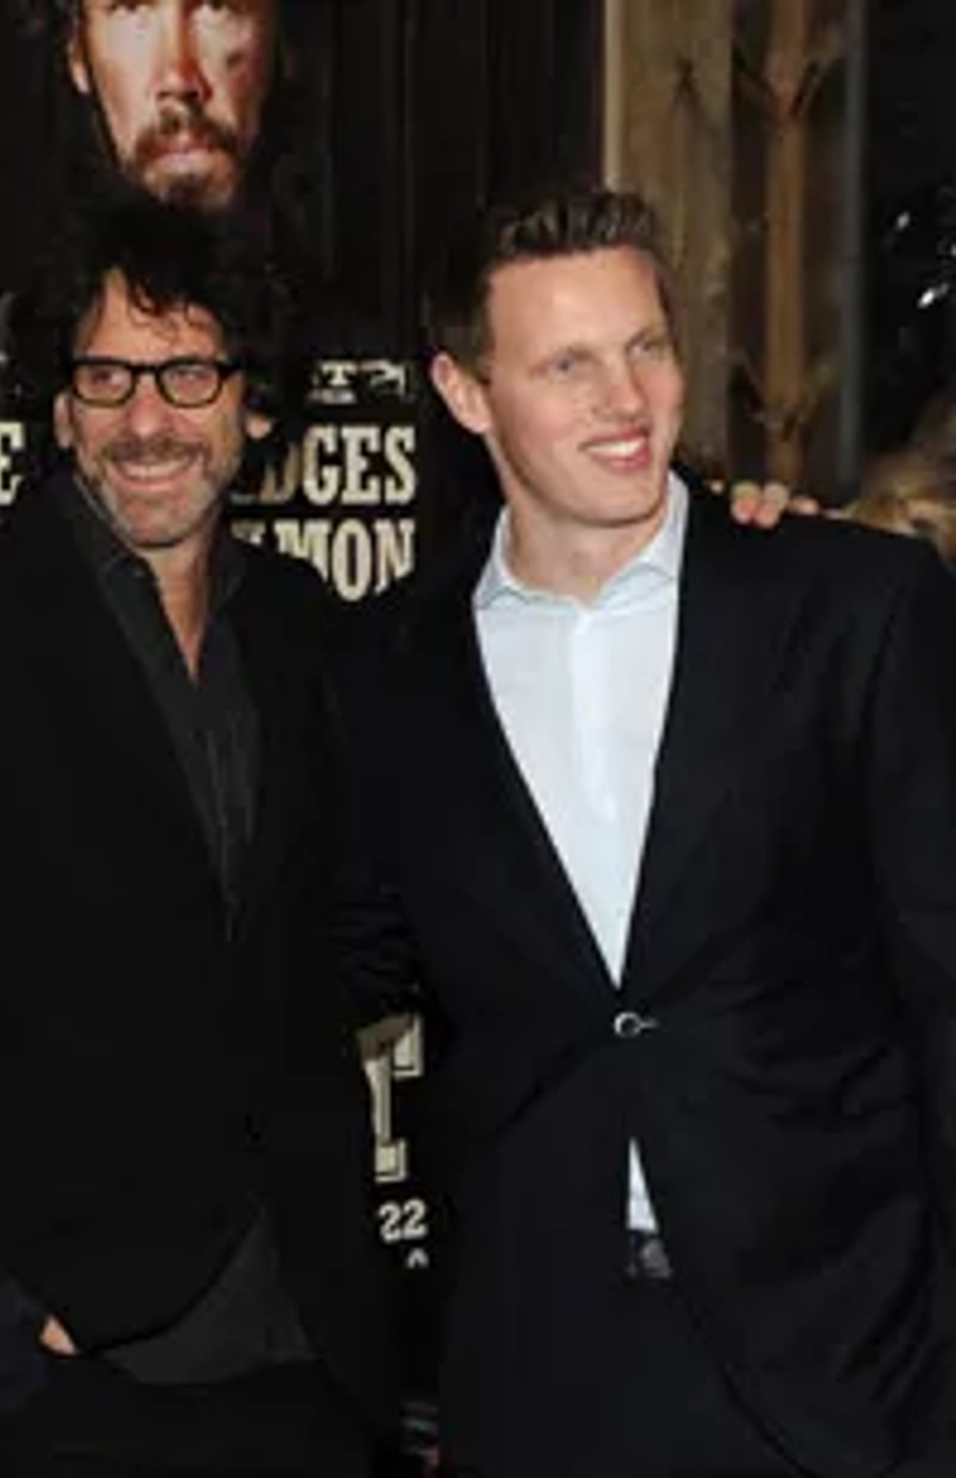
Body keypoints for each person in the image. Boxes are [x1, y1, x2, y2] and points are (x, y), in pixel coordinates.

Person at [327, 186, 956, 1477]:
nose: (627, 399)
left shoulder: (851, 607)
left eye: (647, 346)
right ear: (464, 392)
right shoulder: (390, 667)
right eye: (568, 364)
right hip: (541, 1366)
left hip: (841, 1359)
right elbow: (337, 962)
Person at [0, 196, 394, 1478]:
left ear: (256, 406)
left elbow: (355, 936)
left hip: (305, 1357)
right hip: (52, 1381)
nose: (147, 420)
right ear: (60, 405)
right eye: (107, 375)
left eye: (189, 372)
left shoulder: (311, 630)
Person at [0, 0, 314, 583]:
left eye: (218, 7)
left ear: (278, 36)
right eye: (132, 9)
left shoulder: (406, 392)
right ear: (76, 48)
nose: (179, 78)